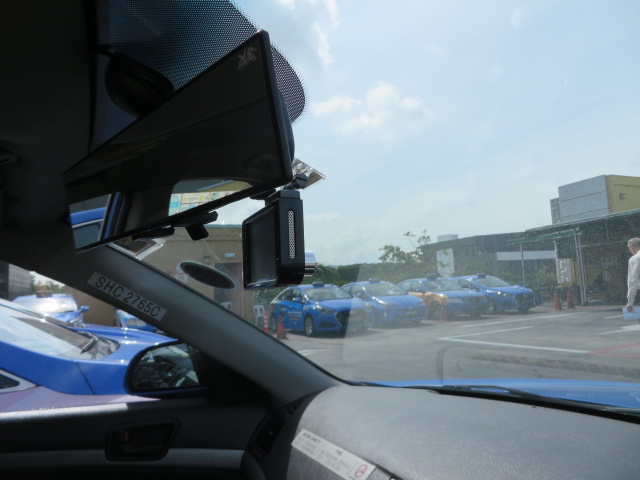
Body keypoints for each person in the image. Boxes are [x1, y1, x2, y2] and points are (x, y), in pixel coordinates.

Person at [625, 237, 640, 312]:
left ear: (632, 248)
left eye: (629, 248)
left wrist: (630, 302)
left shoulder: (634, 259)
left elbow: (632, 281)